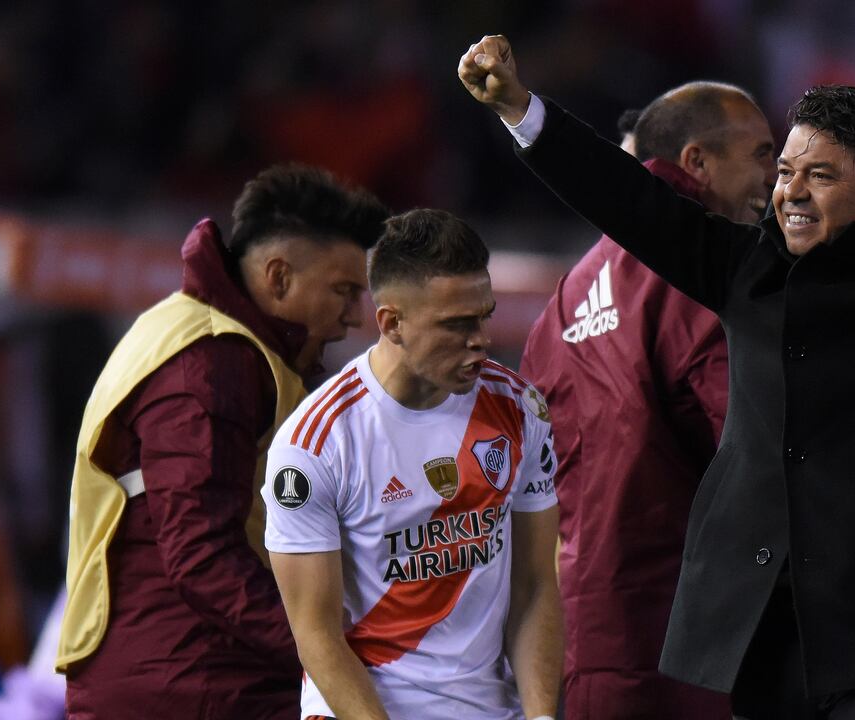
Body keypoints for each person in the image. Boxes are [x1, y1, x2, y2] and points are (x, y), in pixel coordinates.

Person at [460, 35, 855, 718]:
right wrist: (521, 110)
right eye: (784, 171)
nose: (788, 191)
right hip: (757, 642)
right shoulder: (743, 269)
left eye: (819, 175)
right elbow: (625, 197)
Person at [58, 164, 388, 720]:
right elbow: (201, 552)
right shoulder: (213, 363)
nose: (353, 318)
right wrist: (325, 654)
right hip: (192, 684)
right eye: (344, 291)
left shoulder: (202, 340)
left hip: (173, 673)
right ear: (279, 278)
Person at [520, 80, 774, 719]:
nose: (778, 179)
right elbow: (754, 460)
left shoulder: (560, 305)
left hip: (583, 638)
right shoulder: (706, 273)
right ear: (696, 163)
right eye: (764, 155)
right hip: (690, 646)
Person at [263, 209, 562, 720]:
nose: (481, 339)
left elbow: (535, 587)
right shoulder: (314, 444)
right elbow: (315, 633)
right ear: (391, 323)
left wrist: (539, 718)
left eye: (484, 316)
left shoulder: (519, 408)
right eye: (457, 324)